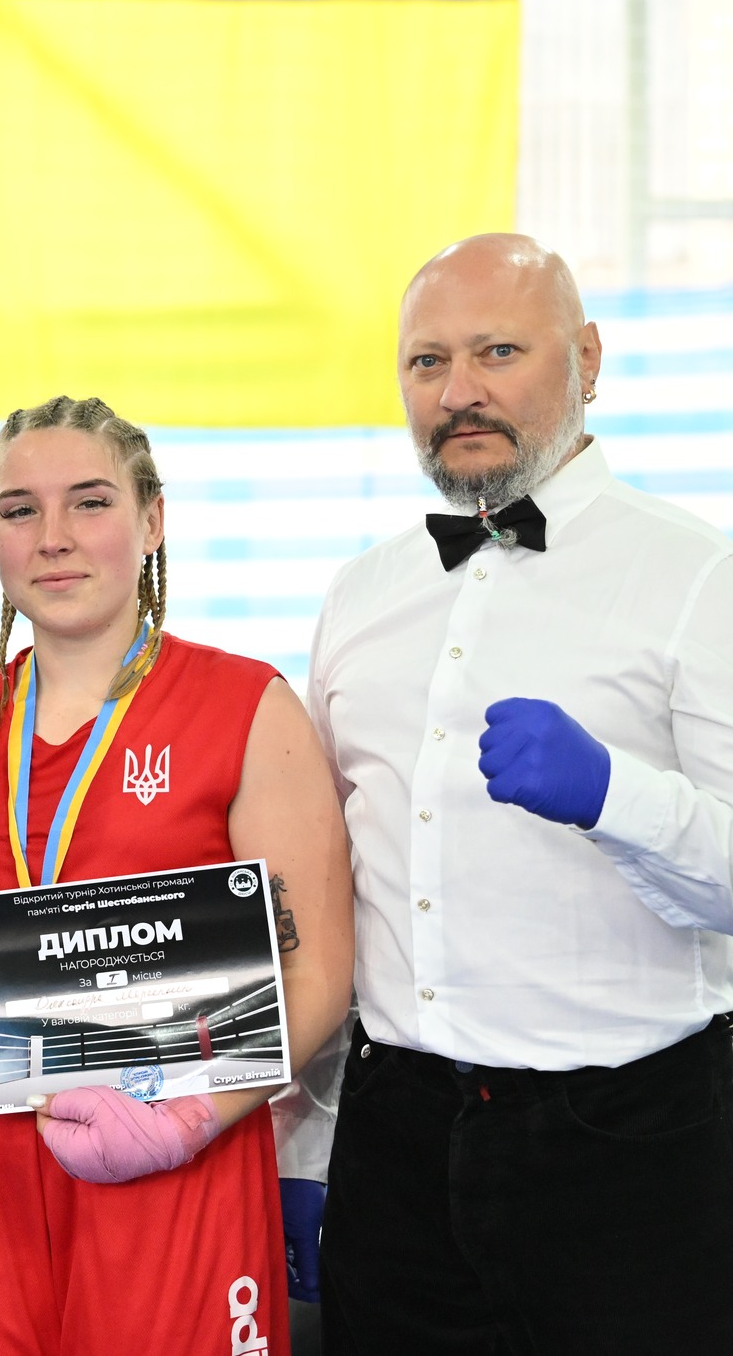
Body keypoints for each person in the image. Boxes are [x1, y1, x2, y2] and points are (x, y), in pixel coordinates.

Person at [0, 396, 355, 1355]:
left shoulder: (245, 705)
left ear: (153, 520)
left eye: (91, 501)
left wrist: (191, 1118)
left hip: (177, 1134)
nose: (54, 536)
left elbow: (314, 970)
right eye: (19, 508)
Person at [308, 233, 733, 1351]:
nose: (459, 392)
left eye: (497, 351)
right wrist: (305, 1139)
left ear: (586, 358)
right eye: (427, 362)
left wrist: (612, 797)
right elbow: (332, 884)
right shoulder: (359, 595)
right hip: (394, 1135)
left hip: (625, 1142)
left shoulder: (698, 576)